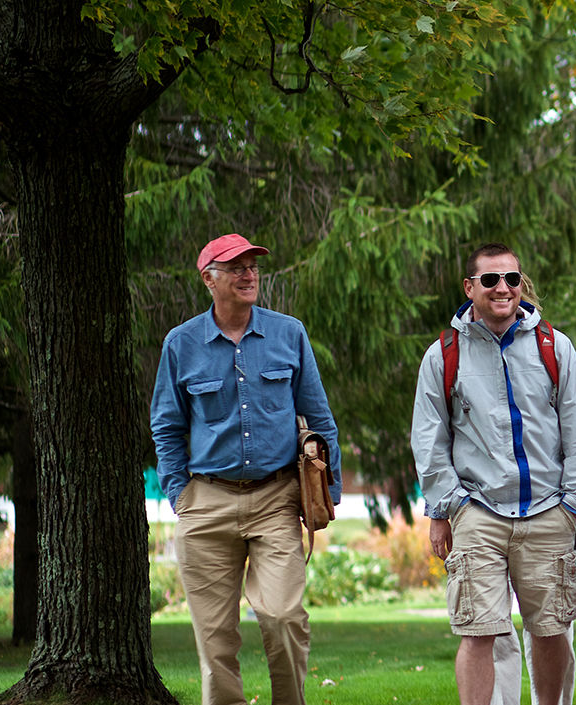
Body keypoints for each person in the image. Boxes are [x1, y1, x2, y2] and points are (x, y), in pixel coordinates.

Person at [410, 243, 576, 705]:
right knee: (477, 631)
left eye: (512, 279)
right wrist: (449, 507)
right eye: (491, 279)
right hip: (477, 512)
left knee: (552, 627)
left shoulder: (554, 347)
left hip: (548, 511)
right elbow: (429, 440)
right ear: (469, 287)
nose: (503, 288)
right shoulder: (443, 355)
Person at [150, 233, 341, 705]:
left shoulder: (288, 333)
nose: (249, 274)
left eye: (253, 265)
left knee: (281, 616)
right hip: (206, 502)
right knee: (215, 641)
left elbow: (319, 419)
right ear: (208, 278)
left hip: (276, 498)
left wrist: (325, 497)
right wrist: (181, 496)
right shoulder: (181, 344)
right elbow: (166, 425)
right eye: (236, 267)